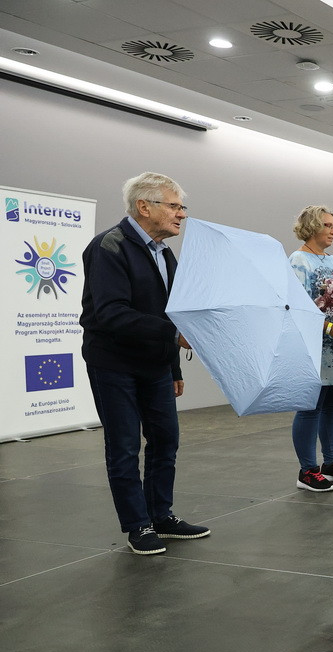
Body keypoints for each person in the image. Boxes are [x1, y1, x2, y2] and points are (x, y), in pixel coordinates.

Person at [79, 172, 209, 555]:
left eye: (182, 207)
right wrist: (173, 335)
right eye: (175, 206)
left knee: (166, 439)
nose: (182, 214)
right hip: (114, 363)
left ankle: (161, 516)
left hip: (155, 365)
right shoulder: (109, 245)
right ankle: (138, 525)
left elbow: (170, 312)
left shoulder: (164, 252)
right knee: (124, 446)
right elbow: (111, 313)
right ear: (144, 207)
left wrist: (174, 368)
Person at [289, 205, 333, 492]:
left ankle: (332, 463)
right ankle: (307, 471)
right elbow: (295, 306)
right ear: (311, 226)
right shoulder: (298, 260)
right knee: (310, 408)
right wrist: (329, 327)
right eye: (327, 225)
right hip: (314, 346)